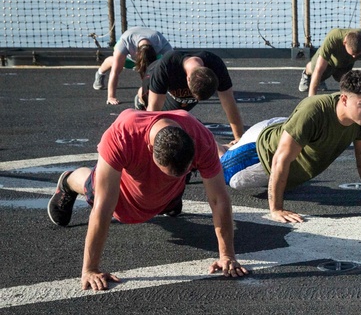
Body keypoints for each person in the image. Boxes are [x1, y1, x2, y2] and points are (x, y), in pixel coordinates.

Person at [45, 109, 249, 291]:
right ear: (150, 149)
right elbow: (103, 207)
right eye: (168, 173)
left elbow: (218, 199)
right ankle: (68, 181)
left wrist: (227, 255)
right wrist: (90, 268)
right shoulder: (122, 134)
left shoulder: (200, 138)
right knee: (94, 188)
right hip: (124, 191)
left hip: (166, 193)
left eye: (185, 171)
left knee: (171, 194)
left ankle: (170, 197)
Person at [219, 70, 361, 223]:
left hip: (289, 129)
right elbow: (280, 159)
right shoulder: (316, 110)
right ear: (344, 99)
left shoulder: (360, 118)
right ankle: (209, 142)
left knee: (299, 130)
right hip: (260, 150)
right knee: (225, 174)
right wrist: (276, 209)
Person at [139, 50, 246, 144]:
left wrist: (239, 138)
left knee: (177, 118)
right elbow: (153, 109)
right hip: (152, 79)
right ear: (188, 79)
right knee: (157, 117)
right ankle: (139, 98)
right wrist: (148, 143)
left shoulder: (216, 66)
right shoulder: (167, 65)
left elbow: (229, 103)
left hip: (178, 97)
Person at [299, 28, 361, 106]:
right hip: (328, 61)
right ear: (344, 43)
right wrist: (311, 100)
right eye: (352, 53)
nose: (354, 56)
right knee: (314, 69)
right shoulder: (333, 38)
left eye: (357, 55)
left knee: (344, 80)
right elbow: (318, 69)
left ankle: (322, 80)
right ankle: (306, 74)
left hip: (345, 63)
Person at [93, 28, 173, 105]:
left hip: (147, 51)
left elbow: (173, 61)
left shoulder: (159, 41)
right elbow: (115, 72)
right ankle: (100, 73)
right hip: (128, 49)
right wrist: (111, 97)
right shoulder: (125, 42)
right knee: (116, 64)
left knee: (164, 65)